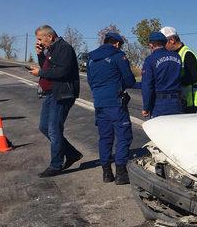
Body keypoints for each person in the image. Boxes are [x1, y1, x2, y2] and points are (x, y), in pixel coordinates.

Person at [29, 25, 82, 177]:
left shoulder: (65, 48)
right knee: (44, 127)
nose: (39, 42)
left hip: (62, 94)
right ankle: (71, 153)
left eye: (40, 39)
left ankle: (56, 165)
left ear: (50, 37)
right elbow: (47, 67)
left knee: (54, 128)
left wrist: (40, 72)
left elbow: (62, 71)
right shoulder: (51, 49)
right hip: (50, 93)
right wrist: (40, 55)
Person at [87, 32, 137, 184]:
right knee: (124, 136)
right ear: (116, 43)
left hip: (99, 103)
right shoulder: (118, 56)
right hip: (116, 103)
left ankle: (107, 173)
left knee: (105, 137)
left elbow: (90, 81)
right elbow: (129, 79)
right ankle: (121, 173)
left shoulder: (91, 59)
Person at [161, 26, 197, 113]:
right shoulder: (174, 54)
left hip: (189, 100)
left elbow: (193, 77)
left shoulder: (187, 54)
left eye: (164, 43)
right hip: (180, 98)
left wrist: (173, 82)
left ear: (172, 40)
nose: (163, 46)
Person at [141, 32, 183, 118]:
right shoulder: (177, 57)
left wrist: (146, 107)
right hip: (177, 102)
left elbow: (147, 86)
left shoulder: (150, 60)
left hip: (160, 103)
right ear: (165, 43)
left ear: (151, 45)